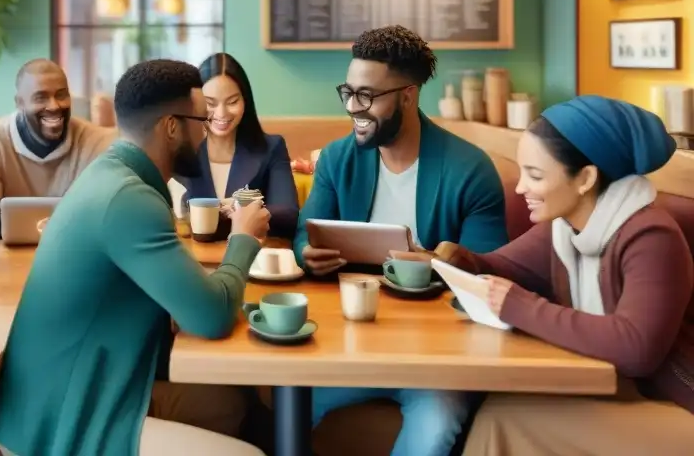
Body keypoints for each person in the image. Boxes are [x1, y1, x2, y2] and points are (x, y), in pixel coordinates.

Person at [0, 60, 270, 456]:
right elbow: (212, 317)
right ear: (172, 127)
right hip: (61, 425)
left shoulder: (112, 175)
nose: (206, 135)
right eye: (201, 122)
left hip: (63, 396)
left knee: (230, 404)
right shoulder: (129, 199)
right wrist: (243, 239)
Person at [438, 96, 694, 455]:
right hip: (618, 391)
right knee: (500, 410)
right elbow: (496, 267)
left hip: (677, 408)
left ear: (585, 178)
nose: (520, 187)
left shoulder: (651, 238)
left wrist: (521, 307)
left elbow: (637, 349)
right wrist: (449, 257)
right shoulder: (564, 229)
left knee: (504, 419)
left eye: (536, 175)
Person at [296, 26, 508, 456]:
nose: (354, 108)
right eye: (348, 92)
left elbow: (492, 270)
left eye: (368, 96)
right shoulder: (337, 159)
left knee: (437, 423)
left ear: (408, 96)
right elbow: (305, 233)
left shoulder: (470, 169)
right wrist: (307, 254)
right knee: (288, 406)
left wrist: (447, 261)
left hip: (438, 354)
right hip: (348, 337)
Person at [0, 59, 115, 230]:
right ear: (19, 103)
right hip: (10, 254)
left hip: (73, 254)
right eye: (40, 97)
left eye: (61, 95)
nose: (54, 106)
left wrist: (19, 220)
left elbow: (111, 212)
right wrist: (65, 220)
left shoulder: (95, 141)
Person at [175, 53, 299, 239]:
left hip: (253, 259)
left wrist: (238, 208)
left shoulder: (271, 147)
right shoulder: (181, 150)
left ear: (245, 101)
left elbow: (288, 214)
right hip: (192, 259)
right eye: (210, 103)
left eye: (232, 102)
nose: (221, 113)